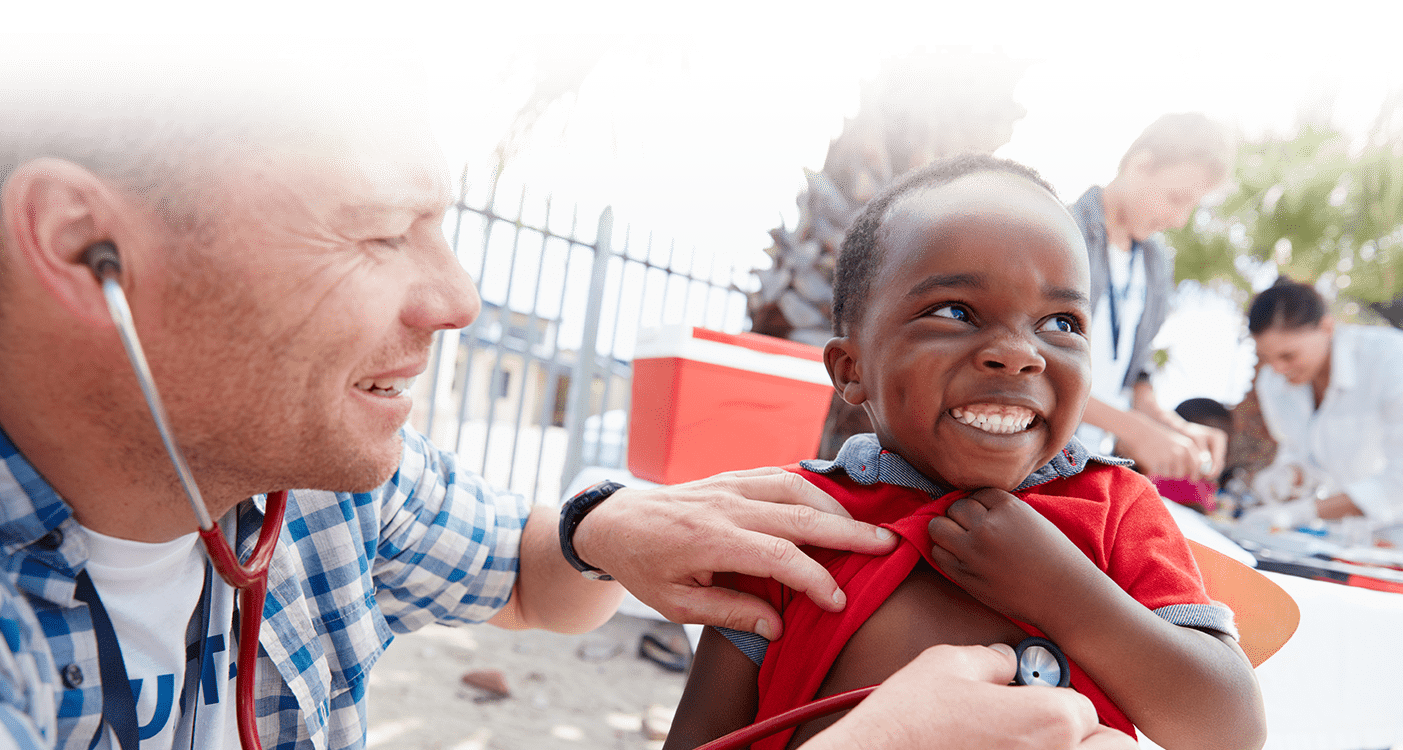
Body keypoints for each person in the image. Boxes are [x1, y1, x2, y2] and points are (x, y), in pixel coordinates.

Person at [0, 51, 1136, 750]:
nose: (457, 300)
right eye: (381, 233)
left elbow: (534, 575)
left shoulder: (310, 487)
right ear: (83, 246)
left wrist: (608, 529)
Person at [663, 155, 1265, 750]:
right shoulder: (794, 526)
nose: (1019, 353)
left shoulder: (1115, 509)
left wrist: (1066, 593)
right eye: (955, 313)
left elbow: (1230, 730)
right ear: (851, 369)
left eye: (1061, 322)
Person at [1068, 113, 1233, 481]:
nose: (1180, 220)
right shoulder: (1062, 233)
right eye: (1176, 199)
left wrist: (1172, 426)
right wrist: (1135, 430)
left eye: (1192, 206)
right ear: (1140, 165)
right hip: (1037, 458)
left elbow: (1134, 376)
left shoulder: (1155, 262)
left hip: (1090, 463)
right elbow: (1041, 365)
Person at [1245, 277, 1403, 544]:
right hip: (1340, 538)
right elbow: (1302, 455)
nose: (1278, 369)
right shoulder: (1272, 382)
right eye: (1267, 358)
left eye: (1288, 356)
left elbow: (1399, 482)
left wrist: (1302, 513)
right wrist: (1289, 474)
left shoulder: (1391, 359)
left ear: (1327, 328)